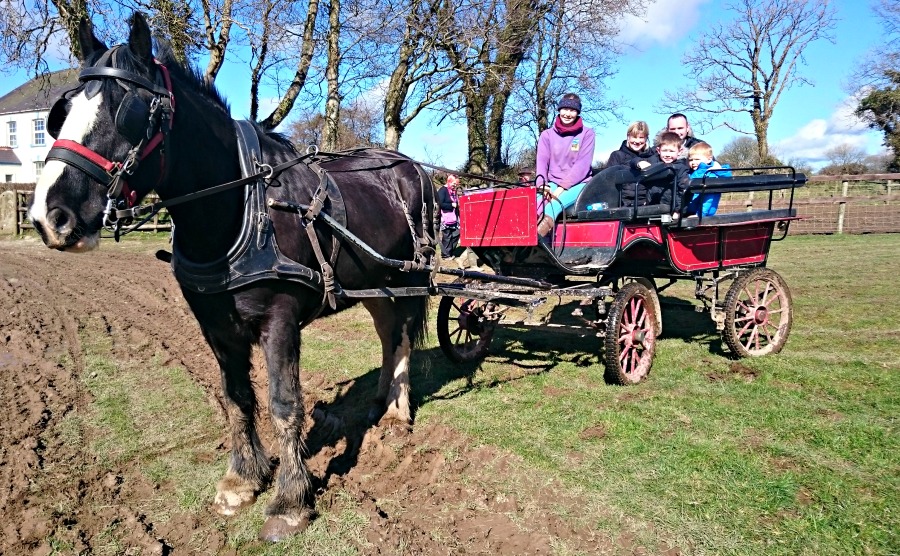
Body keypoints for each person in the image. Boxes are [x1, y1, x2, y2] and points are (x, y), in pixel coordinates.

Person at [535, 93, 596, 236]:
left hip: (578, 184)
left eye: (572, 110)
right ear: (559, 109)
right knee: (533, 206)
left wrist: (561, 188)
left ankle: (530, 247)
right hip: (551, 184)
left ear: (577, 112)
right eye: (565, 109)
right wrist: (542, 185)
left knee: (552, 207)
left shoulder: (587, 134)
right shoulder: (547, 135)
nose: (568, 114)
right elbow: (542, 163)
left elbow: (582, 165)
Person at [635, 132, 691, 218]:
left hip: (671, 210)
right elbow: (633, 160)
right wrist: (639, 163)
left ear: (679, 151)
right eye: (664, 151)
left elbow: (684, 191)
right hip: (652, 207)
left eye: (672, 151)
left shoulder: (681, 169)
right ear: (658, 150)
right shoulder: (653, 163)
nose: (668, 154)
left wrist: (678, 210)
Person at [685, 142, 731, 217]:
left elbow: (708, 199)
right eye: (691, 160)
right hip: (690, 211)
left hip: (701, 214)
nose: (693, 162)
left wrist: (699, 215)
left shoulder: (709, 176)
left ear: (709, 159)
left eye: (697, 159)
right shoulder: (691, 173)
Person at [437, 174, 461, 260]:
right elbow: (440, 204)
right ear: (449, 181)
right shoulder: (442, 190)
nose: (455, 185)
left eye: (456, 184)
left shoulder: (453, 191)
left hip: (454, 217)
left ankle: (450, 252)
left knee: (456, 233)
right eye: (454, 183)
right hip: (445, 218)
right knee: (447, 236)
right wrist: (452, 205)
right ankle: (445, 255)